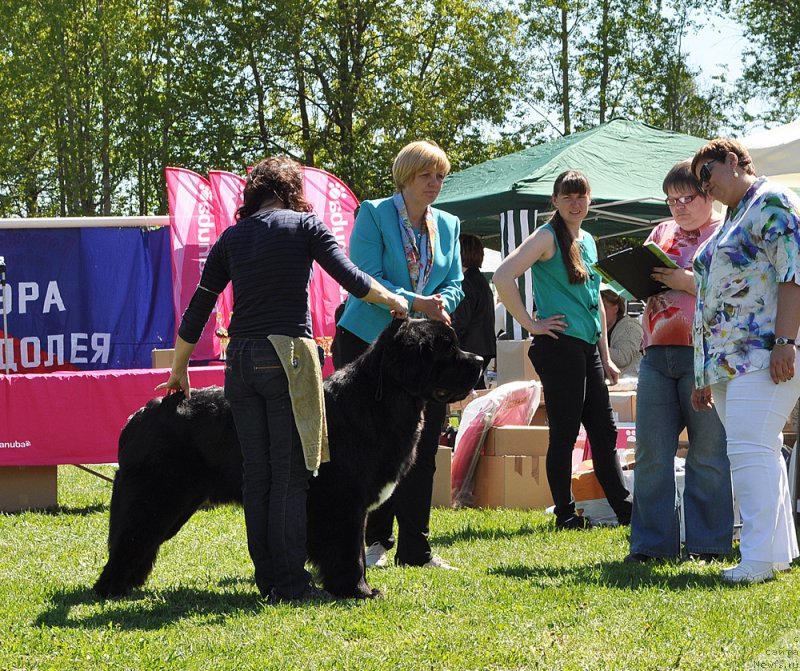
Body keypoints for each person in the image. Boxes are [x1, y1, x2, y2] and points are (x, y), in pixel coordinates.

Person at [156, 156, 408, 603]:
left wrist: (179, 369)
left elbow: (200, 305)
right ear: (292, 192)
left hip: (240, 360)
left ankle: (269, 579)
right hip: (288, 358)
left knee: (258, 476)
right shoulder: (306, 227)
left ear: (252, 195)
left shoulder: (231, 237)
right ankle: (291, 584)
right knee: (290, 475)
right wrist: (395, 301)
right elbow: (351, 278)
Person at [333, 140, 463, 569]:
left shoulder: (449, 224)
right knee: (369, 449)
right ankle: (372, 543)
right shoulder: (372, 214)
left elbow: (457, 281)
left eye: (441, 176)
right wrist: (417, 302)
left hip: (422, 353)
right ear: (405, 176)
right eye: (427, 175)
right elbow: (365, 277)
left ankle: (417, 547)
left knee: (423, 448)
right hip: (366, 347)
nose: (435, 183)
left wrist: (442, 300)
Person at [493, 169, 632, 529]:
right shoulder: (545, 236)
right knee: (566, 433)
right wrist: (530, 324)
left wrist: (606, 356)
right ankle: (565, 514)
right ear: (554, 201)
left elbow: (597, 302)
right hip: (559, 348)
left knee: (603, 432)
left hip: (588, 349)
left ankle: (627, 511)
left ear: (590, 200)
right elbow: (502, 276)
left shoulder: (588, 239)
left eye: (581, 195)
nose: (575, 202)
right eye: (567, 196)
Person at [690, 139, 800, 584]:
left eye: (708, 173)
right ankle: (775, 554)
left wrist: (786, 340)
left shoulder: (774, 201)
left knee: (749, 450)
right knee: (760, 451)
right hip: (727, 361)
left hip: (764, 351)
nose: (704, 186)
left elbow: (793, 271)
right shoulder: (733, 216)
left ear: (734, 161)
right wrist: (703, 372)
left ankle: (754, 561)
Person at [626, 160, 733, 564]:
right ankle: (651, 547)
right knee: (652, 454)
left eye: (687, 198)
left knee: (707, 452)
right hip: (655, 352)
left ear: (709, 194)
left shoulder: (725, 232)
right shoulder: (662, 232)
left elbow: (737, 289)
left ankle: (708, 545)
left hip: (704, 354)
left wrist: (688, 281)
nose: (679, 207)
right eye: (672, 200)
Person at [452, 233, 497, 388]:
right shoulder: (480, 281)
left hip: (469, 348)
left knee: (467, 393)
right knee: (476, 389)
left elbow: (460, 322)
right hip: (484, 346)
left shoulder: (466, 283)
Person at [600, 287, 643, 377]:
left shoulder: (630, 326)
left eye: (603, 307)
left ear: (616, 308)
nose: (600, 312)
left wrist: (594, 347)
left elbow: (623, 358)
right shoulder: (597, 327)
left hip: (629, 382)